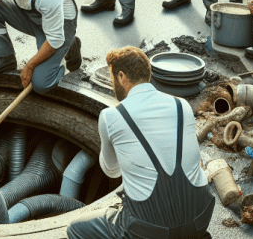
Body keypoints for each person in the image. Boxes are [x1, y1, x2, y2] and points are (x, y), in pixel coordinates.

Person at [66, 46, 214, 239]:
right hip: (199, 218)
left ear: (121, 77)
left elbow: (111, 170)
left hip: (150, 228)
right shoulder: (181, 105)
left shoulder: (111, 116)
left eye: (112, 79)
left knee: (75, 229)